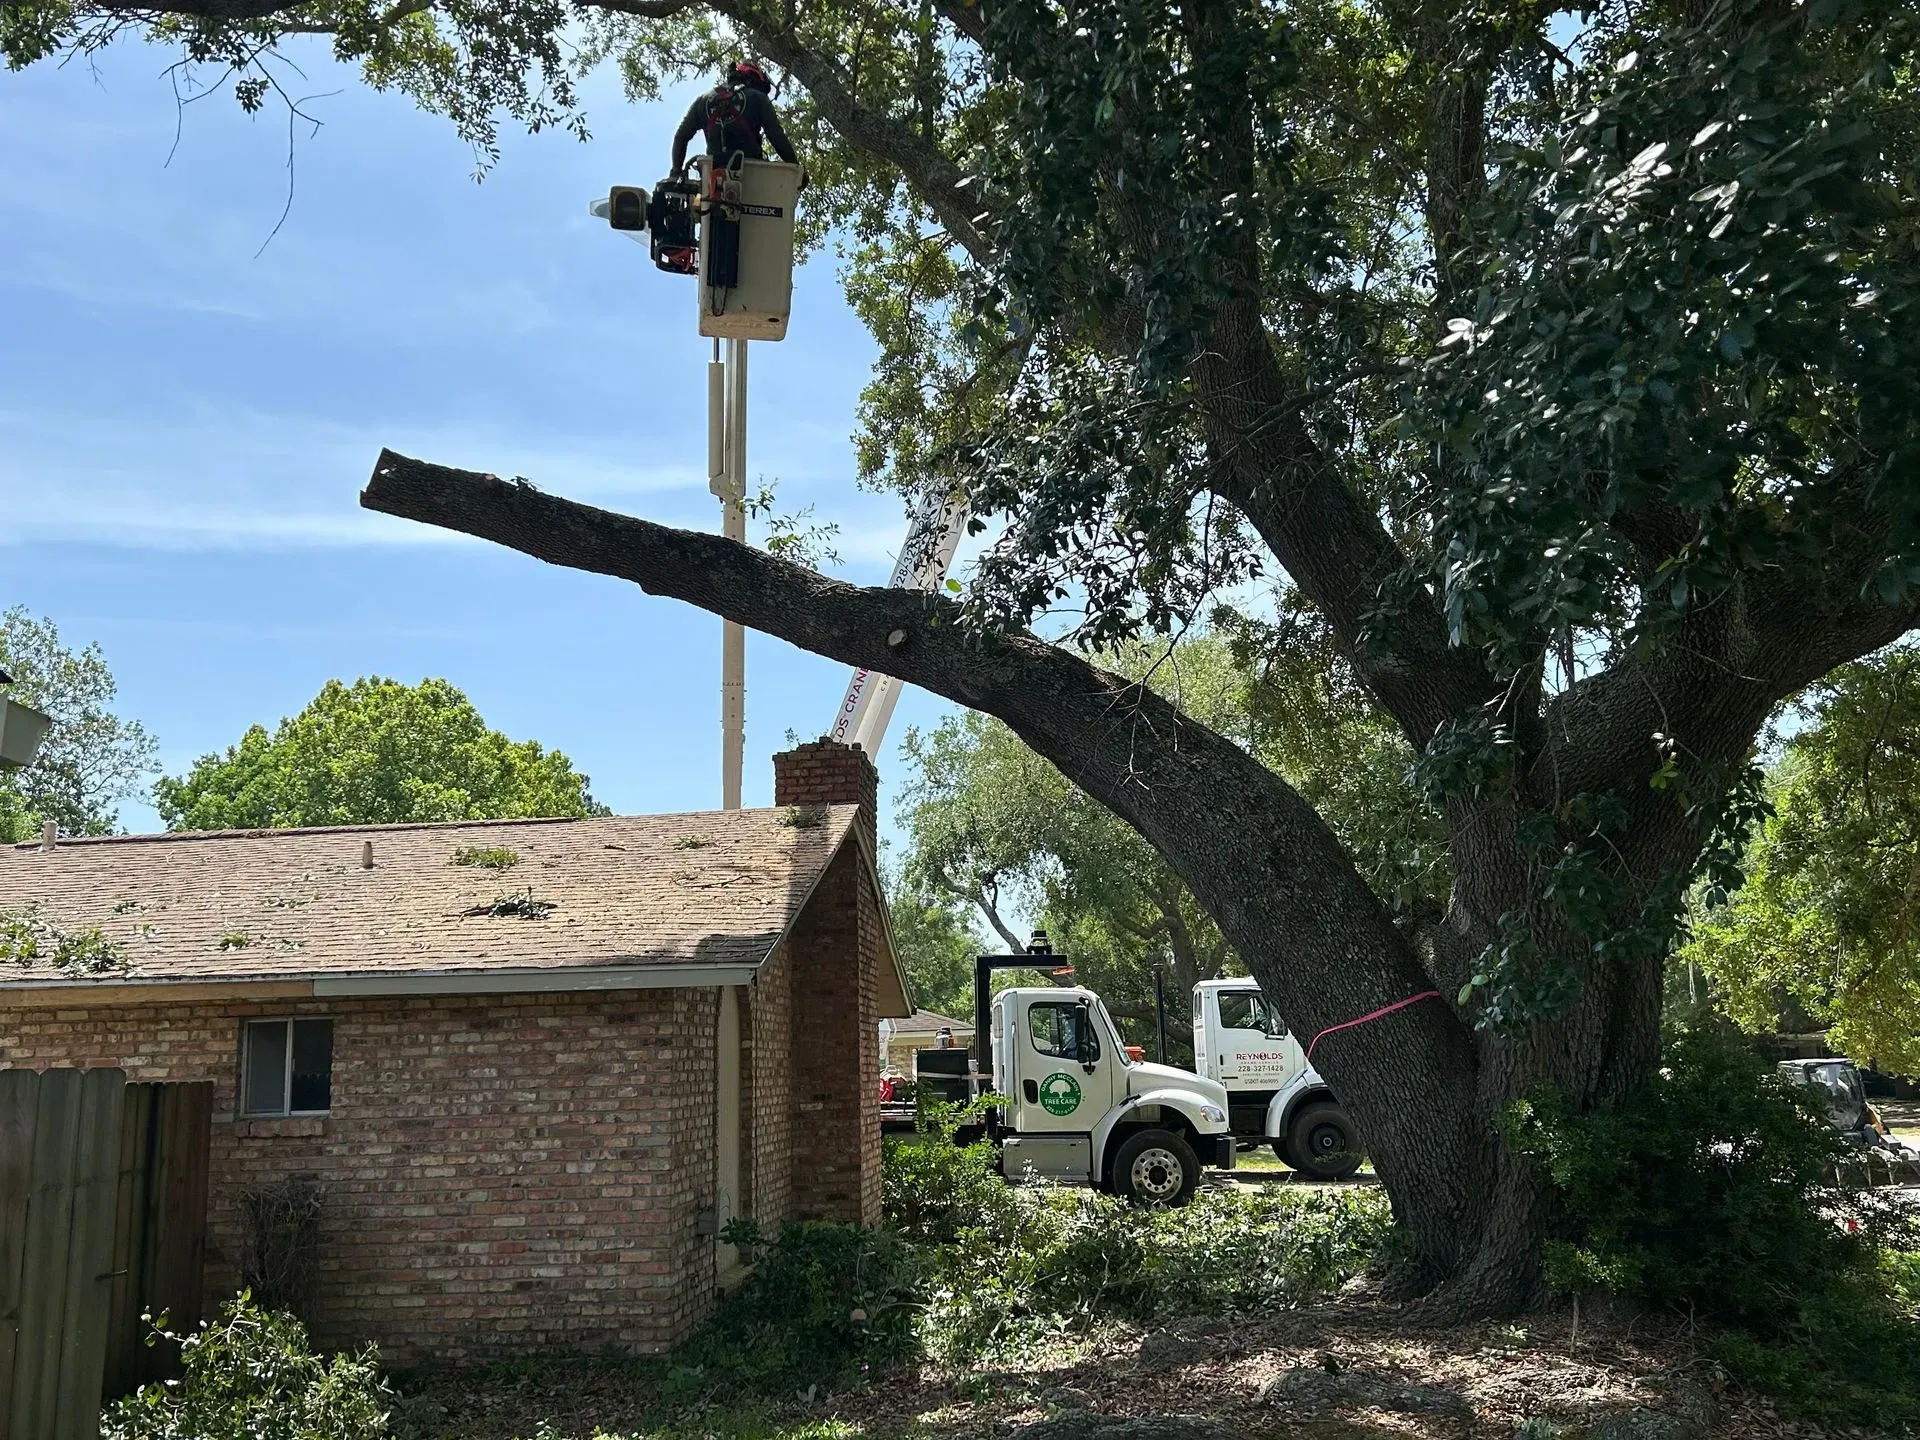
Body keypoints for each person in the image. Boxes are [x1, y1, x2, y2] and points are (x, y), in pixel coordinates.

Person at [670, 61, 800, 176]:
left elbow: (681, 137)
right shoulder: (758, 97)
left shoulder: (702, 100)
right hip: (752, 175)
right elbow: (776, 135)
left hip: (713, 176)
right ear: (753, 79)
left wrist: (676, 172)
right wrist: (797, 169)